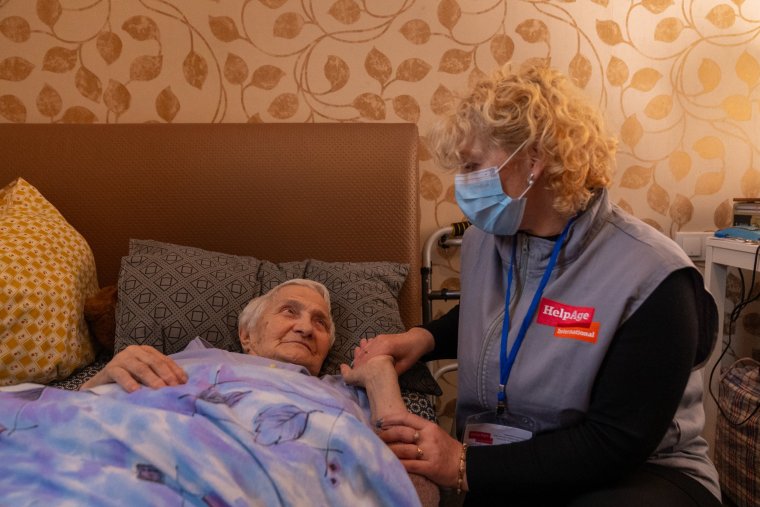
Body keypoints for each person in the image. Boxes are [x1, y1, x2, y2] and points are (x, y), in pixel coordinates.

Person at [359, 64, 722, 506]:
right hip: (511, 460)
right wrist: (424, 338)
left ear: (533, 160)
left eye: (473, 166)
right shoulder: (482, 242)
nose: (463, 183)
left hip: (639, 474)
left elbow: (615, 442)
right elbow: (497, 312)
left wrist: (462, 464)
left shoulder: (654, 276)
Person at [81, 278, 439, 506]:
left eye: (320, 322)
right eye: (289, 311)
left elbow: (418, 492)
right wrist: (105, 376)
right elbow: (70, 417)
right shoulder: (191, 358)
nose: (305, 327)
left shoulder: (344, 394)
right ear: (246, 335)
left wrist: (380, 373)